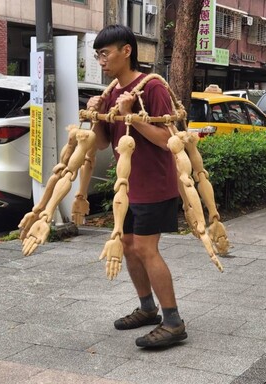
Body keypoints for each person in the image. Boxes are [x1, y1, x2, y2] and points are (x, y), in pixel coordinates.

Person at [87, 24, 187, 348]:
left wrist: (132, 115)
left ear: (126, 51)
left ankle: (173, 322)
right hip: (126, 188)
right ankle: (148, 309)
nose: (101, 60)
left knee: (146, 248)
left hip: (155, 185)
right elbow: (103, 144)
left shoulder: (152, 87)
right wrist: (96, 117)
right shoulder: (112, 92)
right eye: (97, 55)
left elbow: (169, 140)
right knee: (129, 246)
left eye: (105, 53)